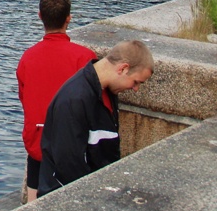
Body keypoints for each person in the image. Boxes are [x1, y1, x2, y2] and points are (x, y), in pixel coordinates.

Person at [37, 40, 154, 197]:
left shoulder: (107, 92)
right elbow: (68, 164)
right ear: (123, 68)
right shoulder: (74, 99)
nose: (135, 89)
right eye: (136, 82)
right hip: (66, 198)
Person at [16, 0, 96, 204]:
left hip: (38, 141)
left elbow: (24, 98)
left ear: (40, 16)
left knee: (32, 204)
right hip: (71, 145)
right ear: (69, 19)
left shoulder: (28, 57)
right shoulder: (84, 58)